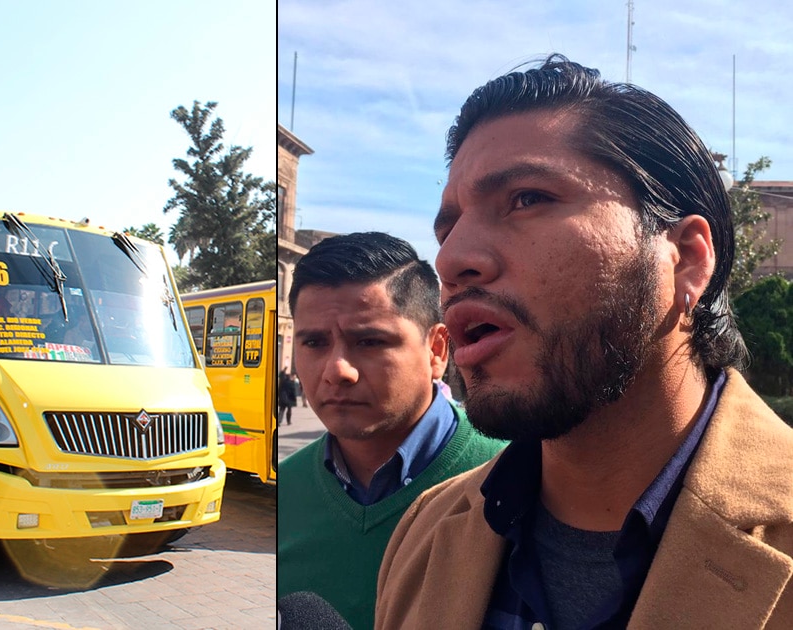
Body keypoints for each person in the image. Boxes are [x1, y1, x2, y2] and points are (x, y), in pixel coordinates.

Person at [375, 55, 793, 629]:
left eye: (527, 198)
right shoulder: (425, 531)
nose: (450, 259)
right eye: (447, 229)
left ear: (686, 260)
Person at [278, 232, 506, 630]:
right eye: (314, 342)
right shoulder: (288, 490)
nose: (337, 370)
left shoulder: (518, 477)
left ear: (437, 350)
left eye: (369, 341)